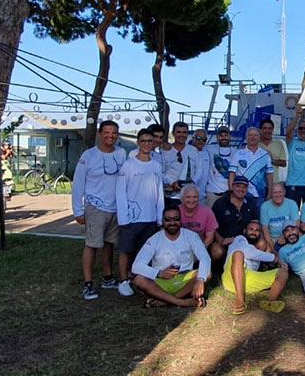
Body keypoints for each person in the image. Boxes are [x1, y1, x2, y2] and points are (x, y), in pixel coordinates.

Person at [72, 120, 126, 300]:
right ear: (100, 134)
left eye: (114, 133)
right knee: (92, 244)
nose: (110, 136)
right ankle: (88, 283)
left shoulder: (121, 153)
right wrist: (78, 211)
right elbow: (78, 184)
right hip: (95, 207)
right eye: (107, 132)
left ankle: (108, 277)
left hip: (116, 207)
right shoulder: (88, 156)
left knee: (109, 243)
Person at [115, 128, 165, 296]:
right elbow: (120, 192)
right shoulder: (128, 166)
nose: (146, 144)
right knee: (126, 249)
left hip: (150, 217)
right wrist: (123, 217)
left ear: (153, 144)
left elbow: (159, 193)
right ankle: (123, 280)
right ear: (138, 143)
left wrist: (160, 217)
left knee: (145, 252)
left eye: (149, 141)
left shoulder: (156, 166)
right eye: (143, 141)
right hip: (131, 217)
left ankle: (141, 280)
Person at [132, 205, 210, 308]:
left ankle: (166, 301)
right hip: (161, 282)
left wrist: (200, 280)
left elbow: (205, 258)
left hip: (184, 279)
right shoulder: (154, 239)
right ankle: (181, 302)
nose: (172, 223)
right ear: (162, 221)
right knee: (139, 280)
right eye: (168, 220)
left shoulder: (191, 236)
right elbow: (136, 266)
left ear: (180, 220)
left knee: (206, 274)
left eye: (176, 219)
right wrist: (159, 273)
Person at [222, 220, 289, 315]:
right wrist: (275, 258)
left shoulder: (259, 249)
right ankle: (240, 300)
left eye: (257, 230)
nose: (254, 232)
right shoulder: (239, 239)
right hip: (231, 277)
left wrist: (277, 260)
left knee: (283, 273)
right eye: (251, 229)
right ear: (245, 231)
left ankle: (270, 302)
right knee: (238, 254)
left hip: (248, 280)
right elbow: (249, 252)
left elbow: (258, 254)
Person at [211, 176, 260, 261]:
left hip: (245, 240)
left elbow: (255, 224)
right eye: (238, 186)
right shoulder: (220, 203)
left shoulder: (251, 203)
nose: (241, 189)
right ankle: (220, 268)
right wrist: (221, 240)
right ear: (232, 186)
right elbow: (212, 227)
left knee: (261, 243)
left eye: (244, 187)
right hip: (225, 240)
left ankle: (254, 265)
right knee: (216, 250)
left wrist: (249, 239)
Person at [228, 126, 273, 203]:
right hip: (242, 194)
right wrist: (232, 191)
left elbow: (269, 176)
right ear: (246, 137)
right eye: (250, 135)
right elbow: (232, 174)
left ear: (259, 137)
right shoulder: (238, 154)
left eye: (255, 135)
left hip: (260, 195)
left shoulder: (265, 155)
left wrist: (269, 193)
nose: (252, 137)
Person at [161, 121, 199, 198]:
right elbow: (161, 172)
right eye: (178, 132)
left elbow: (199, 169)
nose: (181, 135)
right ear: (173, 133)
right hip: (171, 195)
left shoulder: (193, 150)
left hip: (188, 196)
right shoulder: (165, 151)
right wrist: (172, 183)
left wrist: (192, 182)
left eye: (184, 132)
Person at [260, 182, 299, 252]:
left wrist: (285, 238)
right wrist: (274, 249)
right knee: (267, 250)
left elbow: (296, 225)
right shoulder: (265, 206)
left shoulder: (292, 203)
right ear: (271, 194)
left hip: (289, 236)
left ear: (284, 192)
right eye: (275, 192)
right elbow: (265, 230)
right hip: (272, 238)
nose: (278, 195)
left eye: (280, 192)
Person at [179, 184, 218, 249]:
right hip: (179, 246)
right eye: (188, 197)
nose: (191, 200)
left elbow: (210, 237)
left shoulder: (207, 211)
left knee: (217, 250)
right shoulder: (175, 211)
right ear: (182, 199)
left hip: (201, 245)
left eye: (195, 197)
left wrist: (199, 251)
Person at [206, 125, 236, 207]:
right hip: (212, 194)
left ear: (230, 136)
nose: (223, 138)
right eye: (221, 135)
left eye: (226, 135)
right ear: (217, 137)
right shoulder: (209, 148)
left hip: (229, 194)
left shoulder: (236, 152)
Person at [259, 118, 287, 184]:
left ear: (273, 130)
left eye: (270, 128)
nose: (267, 131)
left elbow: (284, 163)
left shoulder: (279, 143)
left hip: (274, 182)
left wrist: (271, 160)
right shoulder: (256, 143)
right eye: (265, 128)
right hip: (258, 184)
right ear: (260, 130)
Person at [190, 129, 211, 199]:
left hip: (202, 196)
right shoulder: (186, 151)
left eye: (204, 139)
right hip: (189, 196)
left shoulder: (207, 153)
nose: (201, 141)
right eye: (198, 138)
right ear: (193, 138)